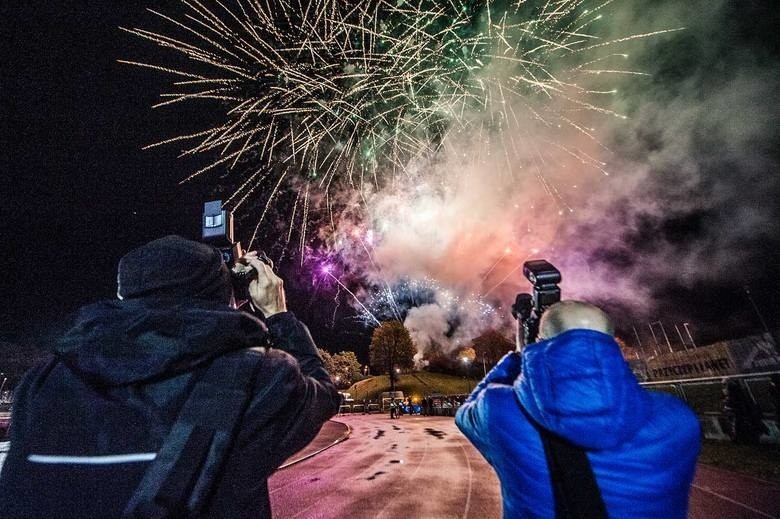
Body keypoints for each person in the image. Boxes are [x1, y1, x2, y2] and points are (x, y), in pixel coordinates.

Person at [0, 235, 340, 518]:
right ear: (228, 298)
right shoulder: (258, 378)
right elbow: (323, 393)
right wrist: (278, 314)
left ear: (122, 296)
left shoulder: (42, 385)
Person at [456, 300, 701, 518]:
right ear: (611, 342)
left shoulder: (501, 410)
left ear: (540, 346)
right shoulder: (679, 420)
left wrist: (519, 357)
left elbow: (464, 413)